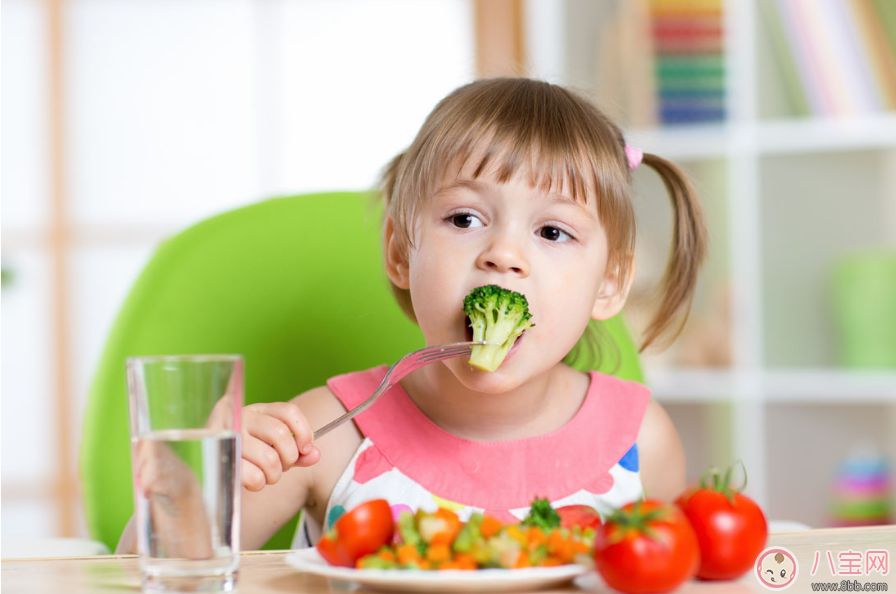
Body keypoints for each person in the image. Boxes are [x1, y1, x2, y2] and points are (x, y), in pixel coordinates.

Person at [117, 77, 707, 554]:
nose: (502, 254)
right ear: (402, 252)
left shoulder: (642, 441)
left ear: (609, 285)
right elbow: (155, 575)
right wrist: (197, 482)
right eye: (465, 220)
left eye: (553, 231)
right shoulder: (328, 433)